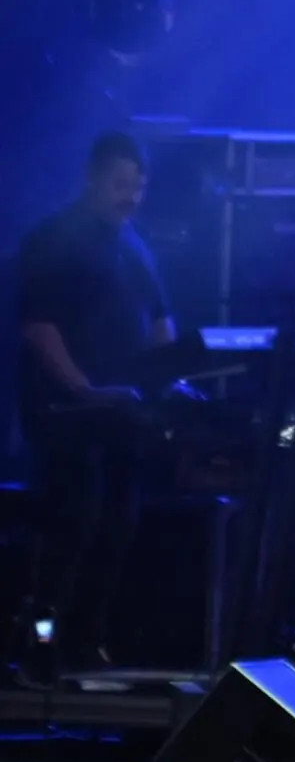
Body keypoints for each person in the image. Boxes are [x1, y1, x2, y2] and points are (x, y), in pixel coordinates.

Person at [14, 131, 174, 668]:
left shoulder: (136, 245)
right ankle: (40, 645)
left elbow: (160, 320)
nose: (131, 196)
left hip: (123, 413)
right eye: (120, 184)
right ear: (92, 178)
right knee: (72, 526)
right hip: (67, 415)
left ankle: (86, 642)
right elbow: (39, 328)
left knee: (119, 524)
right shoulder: (54, 239)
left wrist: (173, 378)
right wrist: (83, 389)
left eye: (138, 186)